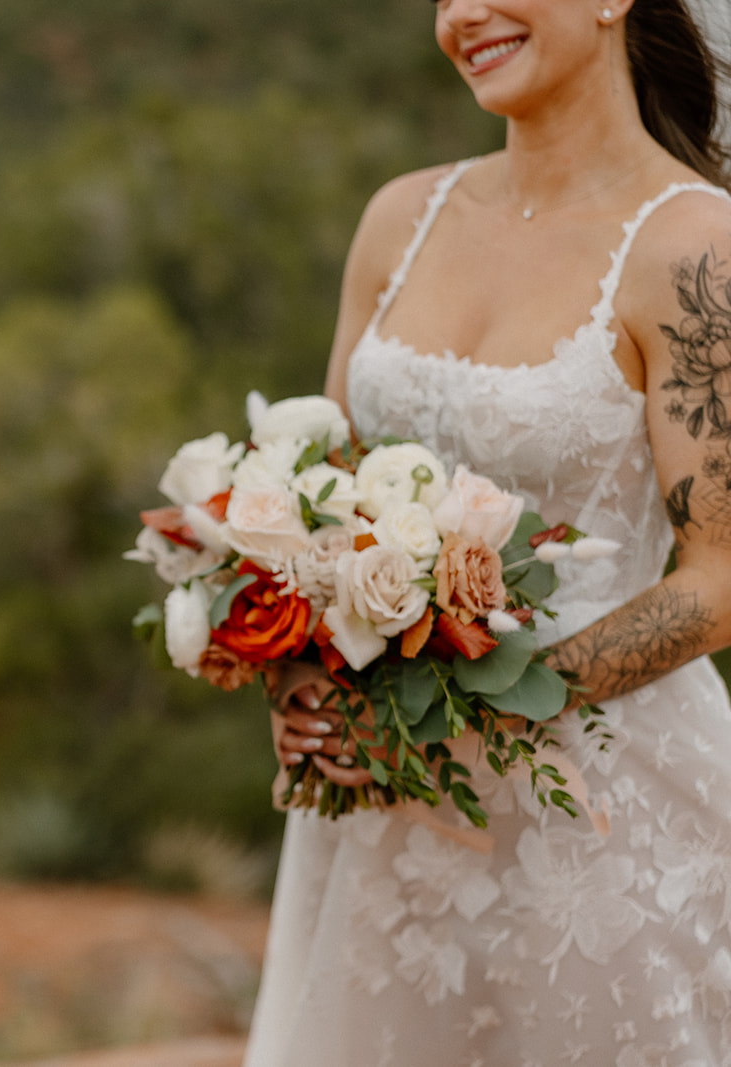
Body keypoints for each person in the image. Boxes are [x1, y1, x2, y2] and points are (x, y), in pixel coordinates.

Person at [247, 0, 731, 1063]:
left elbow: (719, 577)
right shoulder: (399, 217)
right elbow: (318, 494)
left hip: (600, 825)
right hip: (377, 812)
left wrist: (468, 724)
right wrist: (298, 679)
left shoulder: (694, 246)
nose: (463, 15)